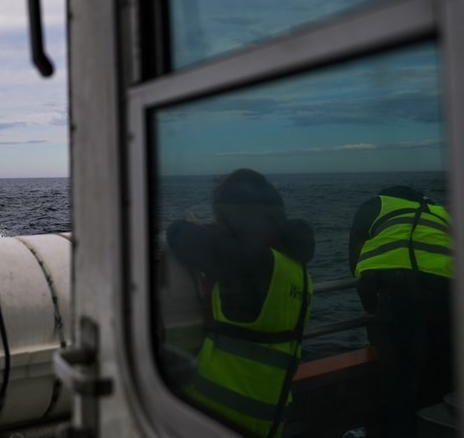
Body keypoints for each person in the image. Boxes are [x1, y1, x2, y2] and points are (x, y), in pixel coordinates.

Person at [166, 168, 314, 438]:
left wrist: (201, 228)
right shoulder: (297, 270)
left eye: (221, 216)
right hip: (268, 420)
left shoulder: (249, 261)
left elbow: (178, 234)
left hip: (213, 418)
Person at [349, 185, 453, 437]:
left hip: (397, 294)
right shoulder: (442, 212)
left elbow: (356, 261)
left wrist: (371, 308)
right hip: (448, 295)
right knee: (443, 379)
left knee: (400, 384)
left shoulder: (375, 204)